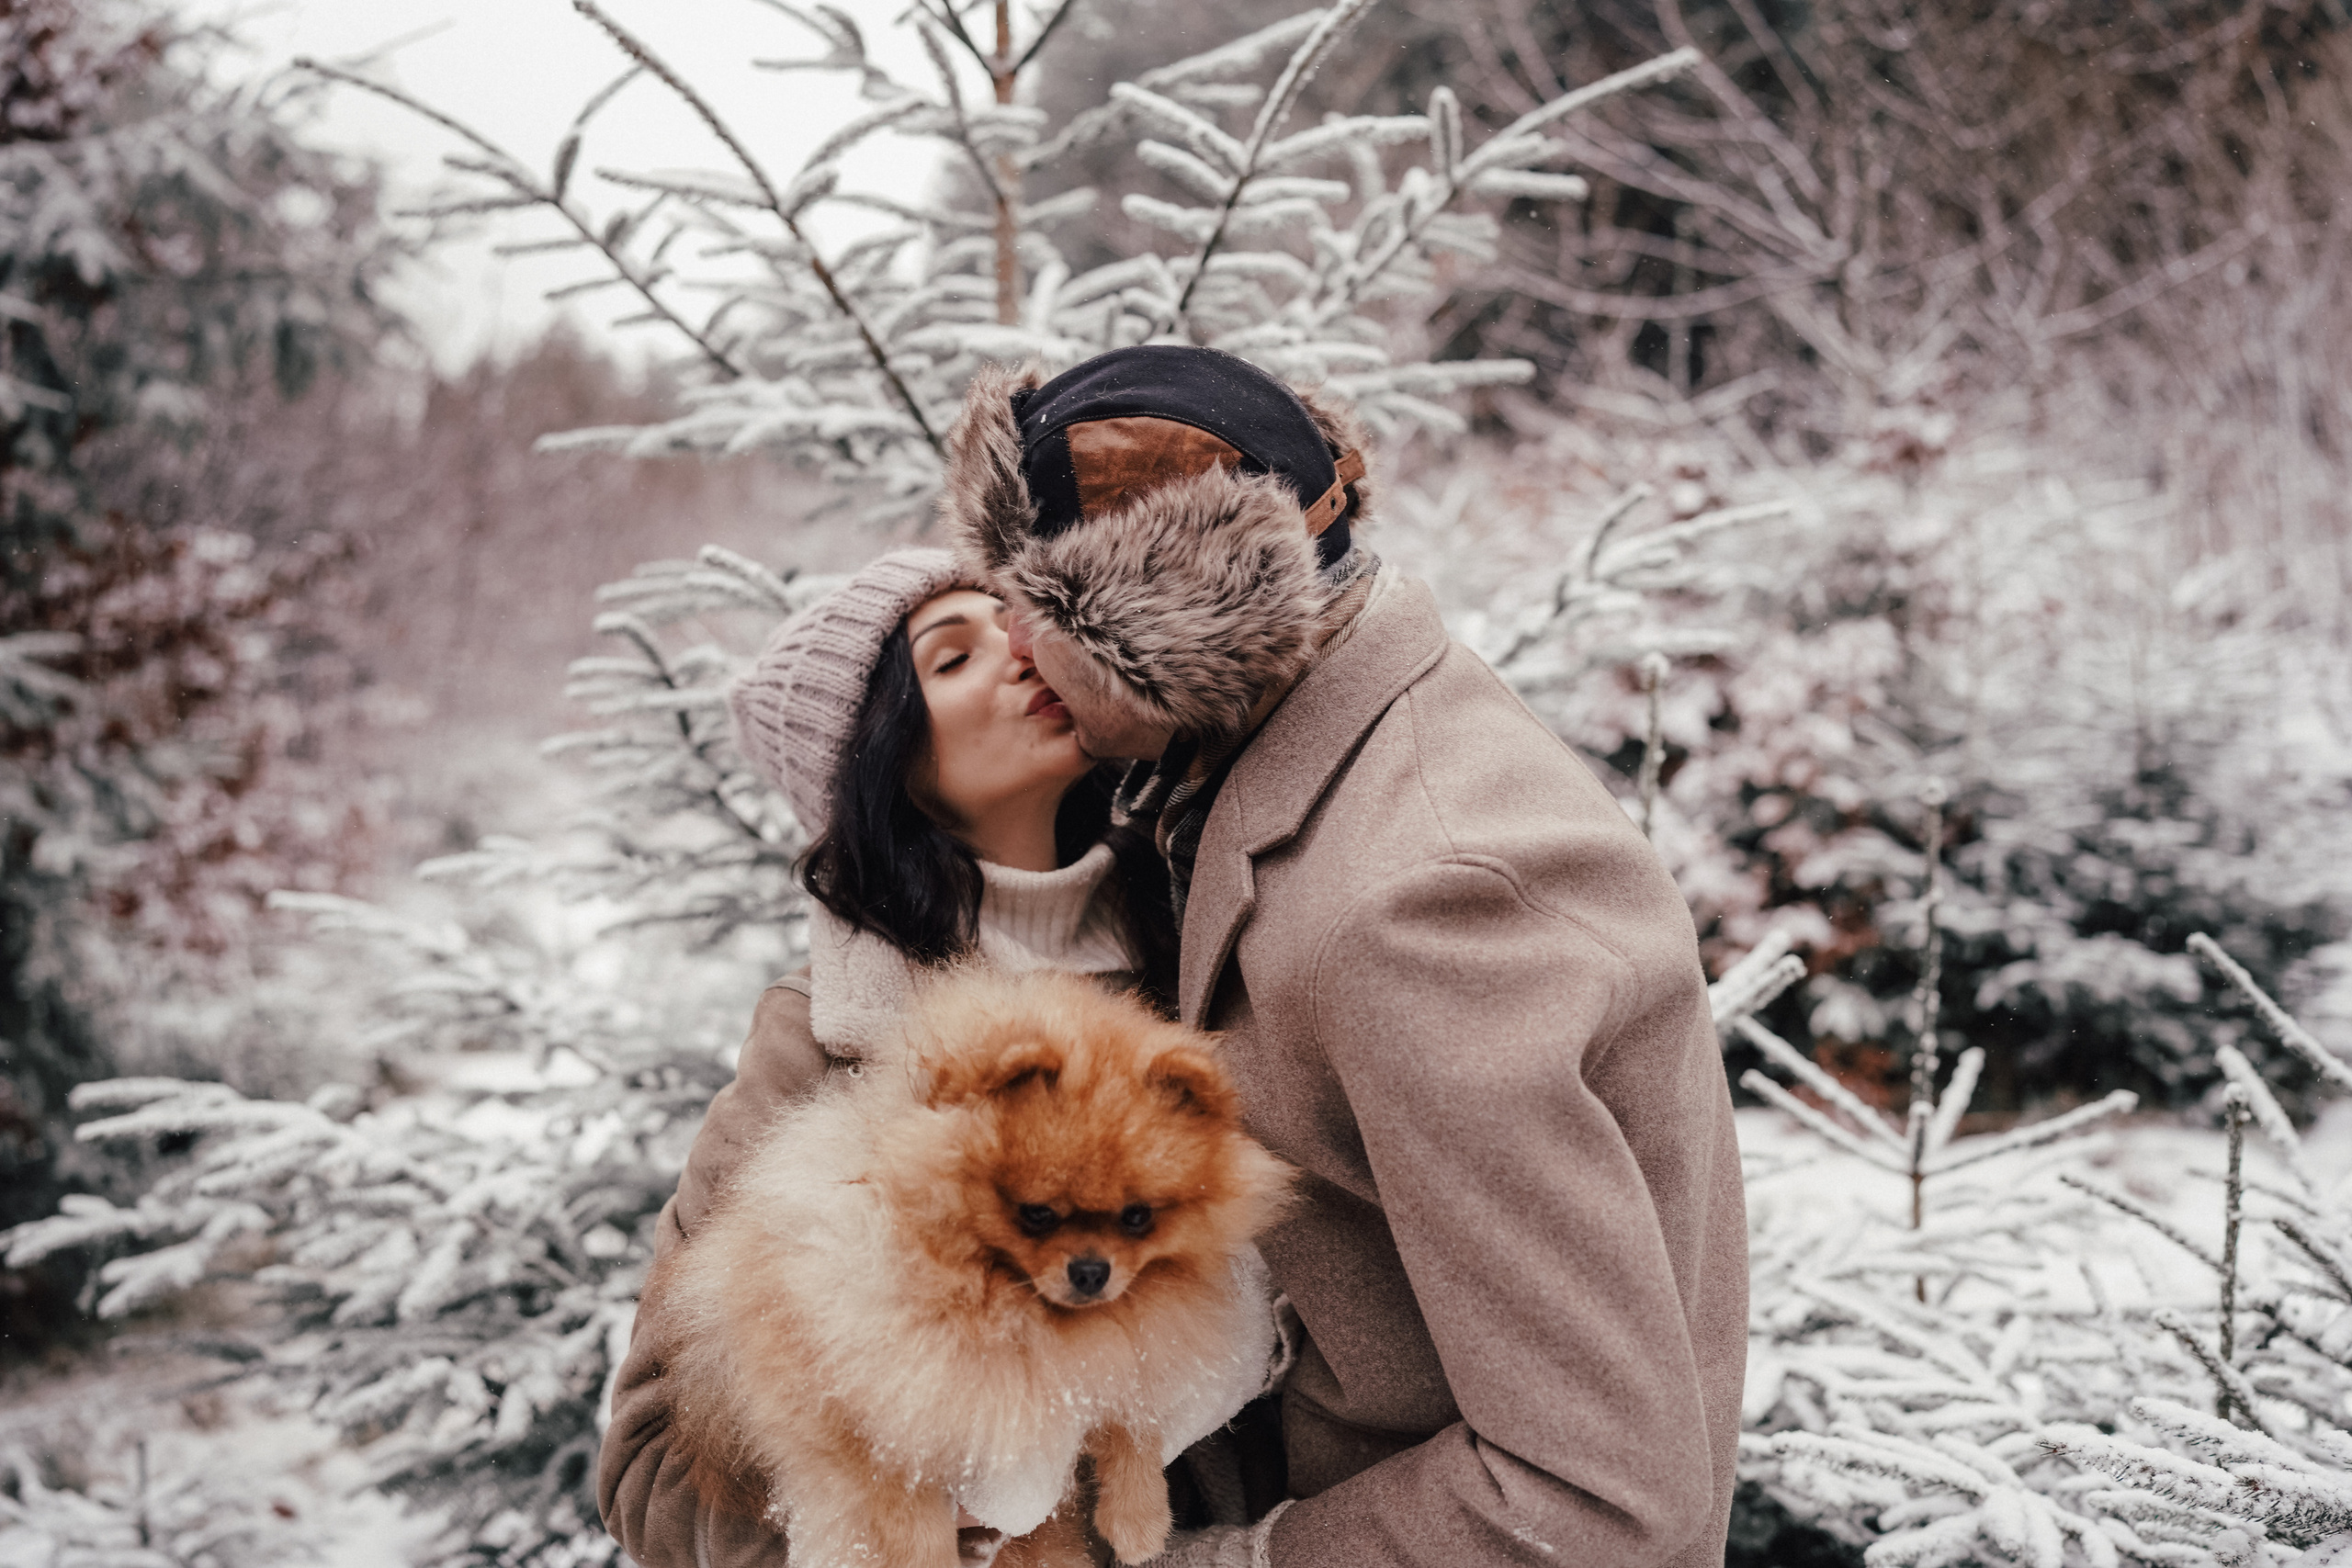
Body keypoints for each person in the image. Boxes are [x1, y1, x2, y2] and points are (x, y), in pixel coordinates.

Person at [941, 344, 1748, 1568]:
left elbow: (1597, 1502)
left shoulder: (1415, 902)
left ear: (1140, 631)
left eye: (1025, 602)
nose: (1003, 640)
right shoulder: (1272, 758)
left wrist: (1215, 1560)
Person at [597, 548, 1283, 1567]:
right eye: (952, 658)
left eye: (1019, 625)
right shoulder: (825, 1030)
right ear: (881, 761)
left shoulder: (1221, 952)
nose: (1022, 656)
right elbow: (646, 1470)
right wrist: (898, 1518)